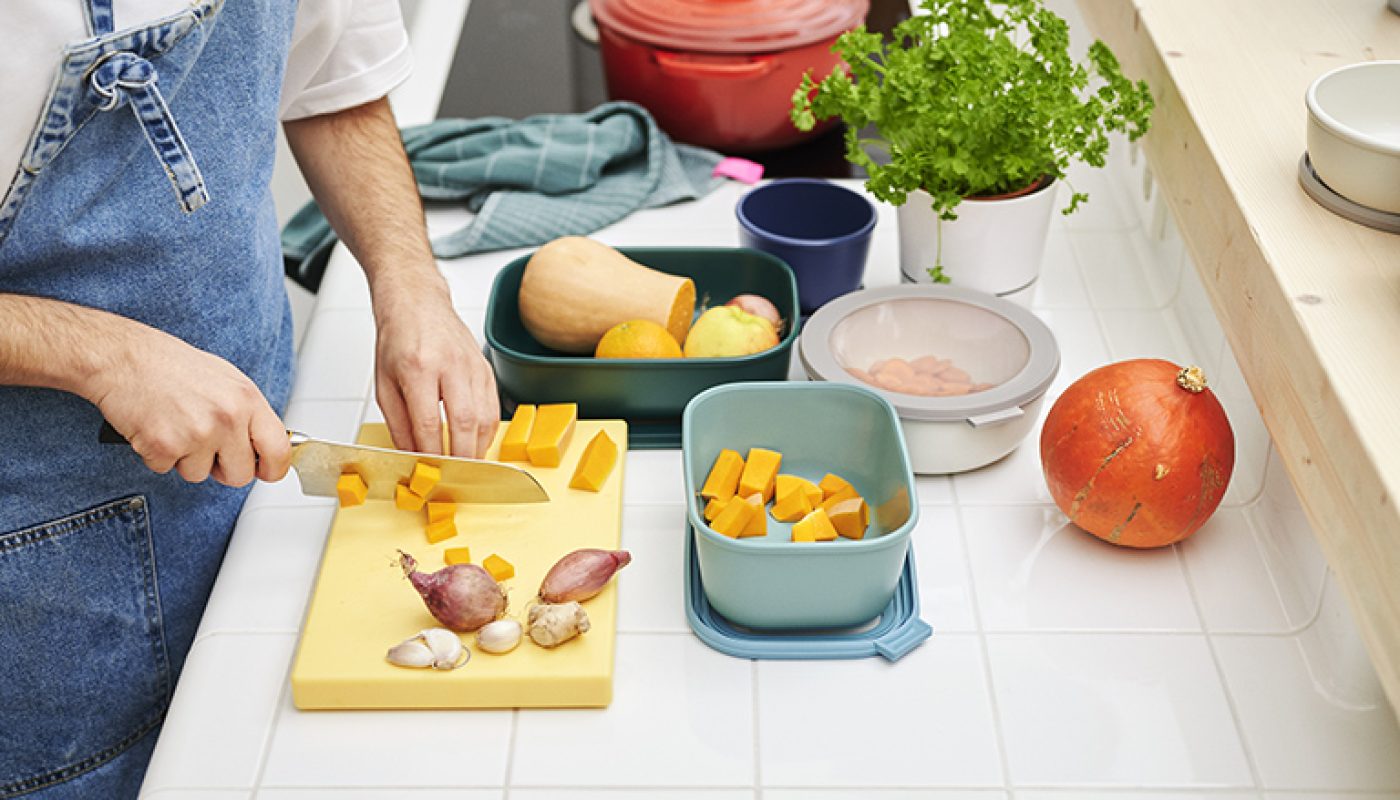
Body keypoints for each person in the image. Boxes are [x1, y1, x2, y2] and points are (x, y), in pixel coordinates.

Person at [0, 1, 499, 797]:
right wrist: (103, 355)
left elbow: (331, 77)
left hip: (251, 468)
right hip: (37, 572)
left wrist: (410, 280)